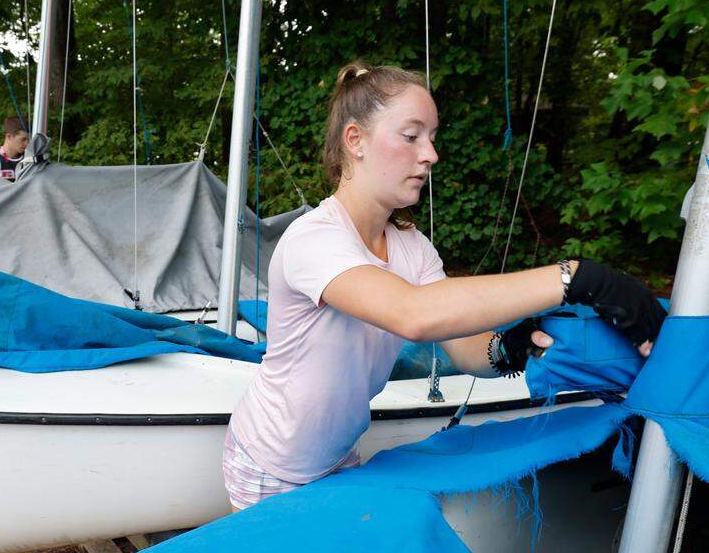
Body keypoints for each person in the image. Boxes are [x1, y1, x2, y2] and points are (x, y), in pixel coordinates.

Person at [222, 63, 666, 510]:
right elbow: (414, 314)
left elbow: (464, 347)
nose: (430, 154)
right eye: (412, 136)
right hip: (270, 464)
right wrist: (576, 278)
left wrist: (511, 346)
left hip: (338, 456)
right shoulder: (313, 239)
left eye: (432, 137)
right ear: (355, 141)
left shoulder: (412, 248)